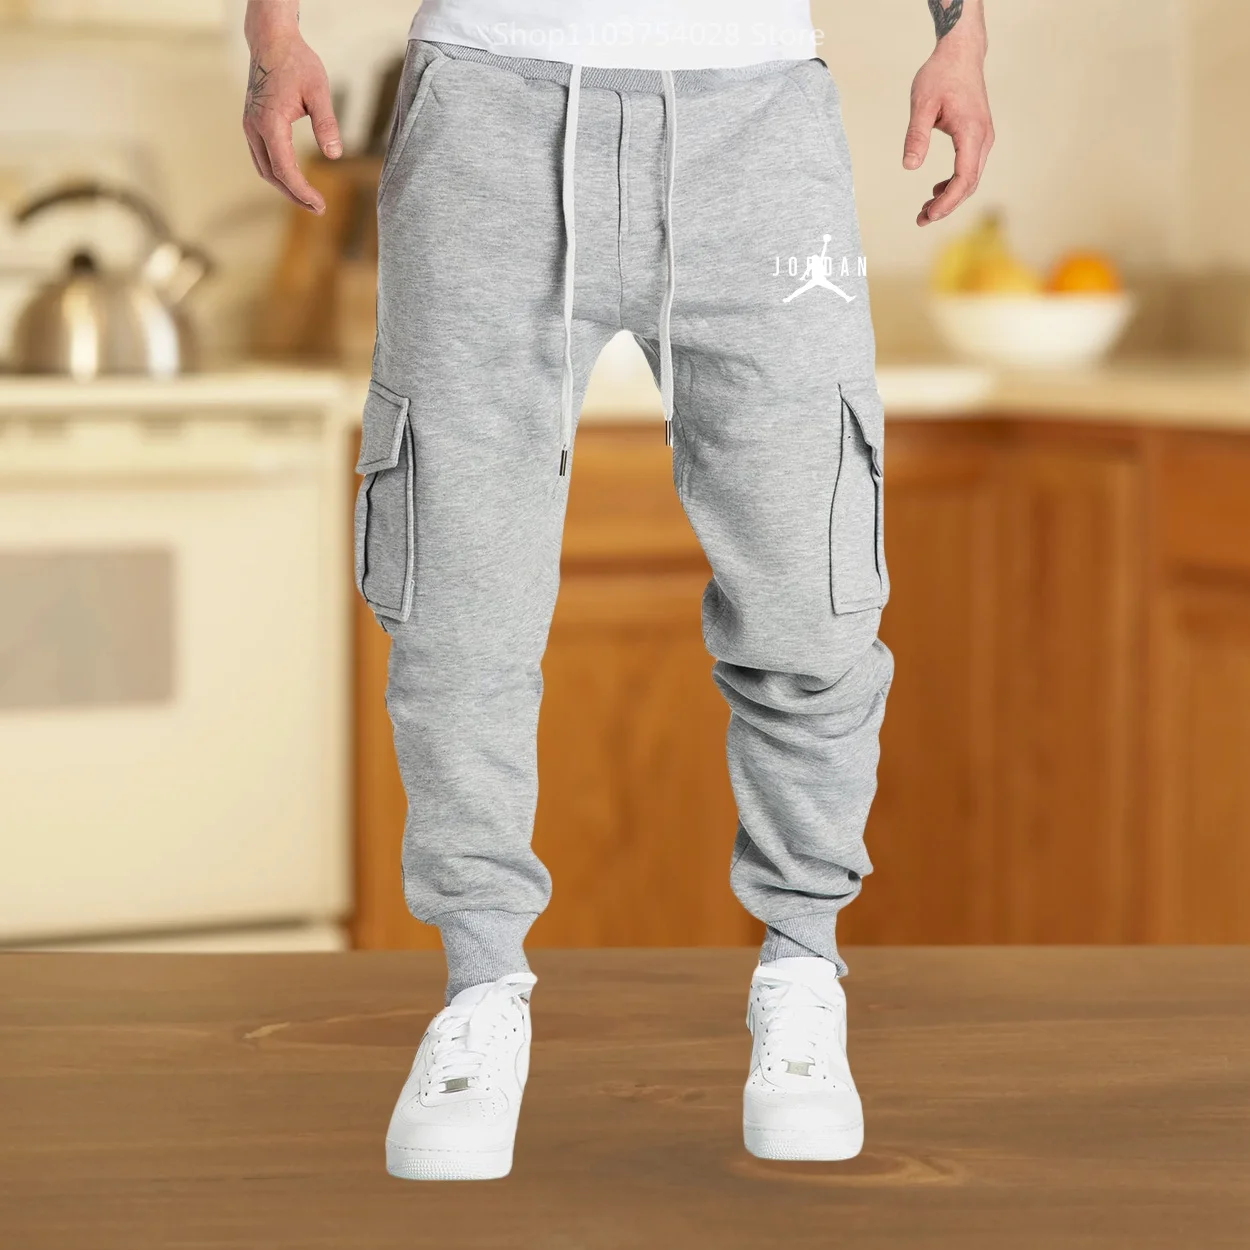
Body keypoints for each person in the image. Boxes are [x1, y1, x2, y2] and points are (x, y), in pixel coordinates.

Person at [242, 0, 992, 1180]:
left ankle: (802, 967)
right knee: (458, 599)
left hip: (759, 124)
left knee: (813, 590)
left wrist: (960, 34)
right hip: (488, 110)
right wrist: (272, 32)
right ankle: (479, 989)